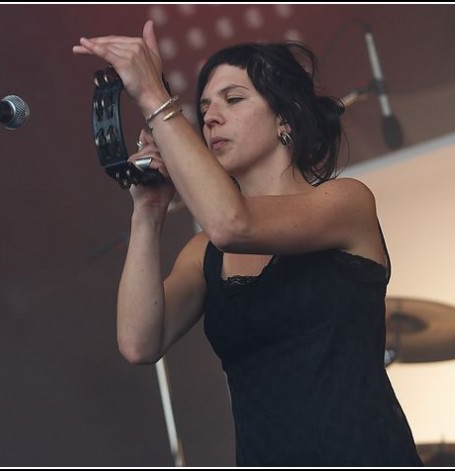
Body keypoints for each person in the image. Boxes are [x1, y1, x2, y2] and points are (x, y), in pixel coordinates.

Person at [73, 20, 423, 467]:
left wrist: (154, 97)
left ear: (285, 117)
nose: (212, 117)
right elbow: (139, 342)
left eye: (233, 99)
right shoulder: (205, 253)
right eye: (204, 109)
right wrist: (148, 210)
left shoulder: (345, 202)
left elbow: (233, 223)